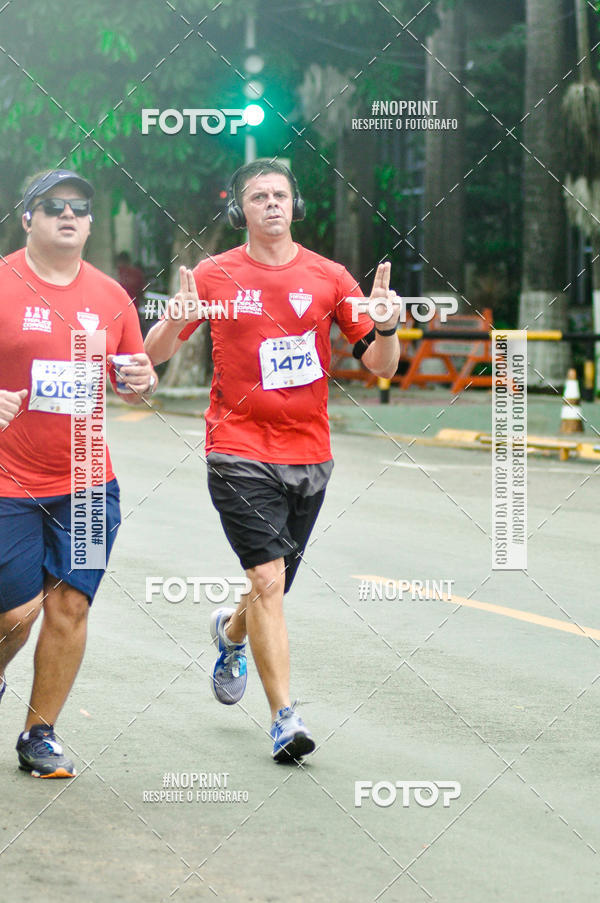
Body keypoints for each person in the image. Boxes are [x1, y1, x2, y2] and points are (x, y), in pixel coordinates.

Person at [145, 160, 400, 763]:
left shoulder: (330, 277)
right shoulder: (214, 275)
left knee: (272, 585)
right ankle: (285, 718)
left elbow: (381, 366)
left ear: (296, 205)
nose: (271, 205)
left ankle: (229, 635)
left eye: (280, 195)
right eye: (257, 197)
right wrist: (171, 322)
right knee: (267, 580)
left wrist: (388, 328)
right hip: (237, 451)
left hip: (310, 453)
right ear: (240, 210)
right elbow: (153, 355)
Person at [0, 168, 158, 778]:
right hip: (9, 480)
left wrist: (142, 379)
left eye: (80, 207)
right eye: (53, 206)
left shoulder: (112, 297)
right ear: (27, 218)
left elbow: (131, 375)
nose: (69, 215)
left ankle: (40, 733)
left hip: (89, 483)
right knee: (15, 613)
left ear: (90, 223)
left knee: (69, 608)